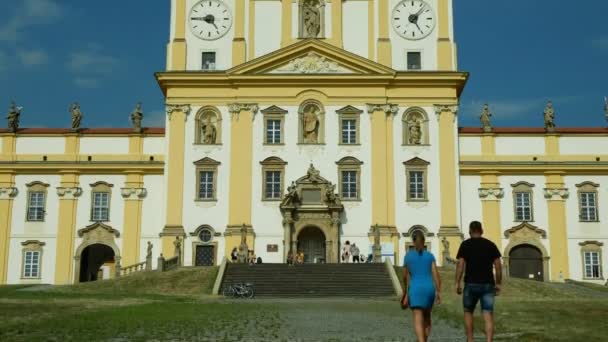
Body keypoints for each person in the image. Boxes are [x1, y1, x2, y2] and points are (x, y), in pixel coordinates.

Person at [455, 221, 503, 342]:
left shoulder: (465, 245)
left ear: (470, 231)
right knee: (488, 315)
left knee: (468, 312)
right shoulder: (490, 245)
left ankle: (470, 340)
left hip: (470, 284)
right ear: (482, 231)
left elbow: (460, 265)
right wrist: (498, 283)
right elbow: (498, 265)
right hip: (487, 284)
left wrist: (457, 282)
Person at [402, 231, 441, 342]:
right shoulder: (430, 256)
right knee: (427, 318)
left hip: (415, 289)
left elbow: (404, 277)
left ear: (413, 242)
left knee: (418, 318)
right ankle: (423, 339)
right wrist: (439, 292)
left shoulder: (408, 256)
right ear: (423, 242)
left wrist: (405, 292)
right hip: (429, 289)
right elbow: (436, 275)